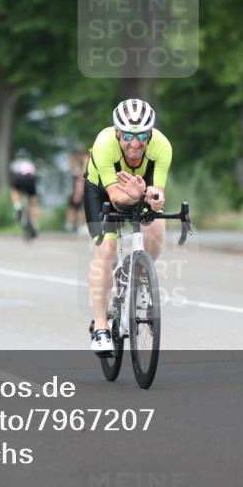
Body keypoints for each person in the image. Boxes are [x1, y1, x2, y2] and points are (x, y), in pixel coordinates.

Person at [84, 98, 171, 354]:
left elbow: (156, 194)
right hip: (100, 191)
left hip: (139, 188)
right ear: (118, 132)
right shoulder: (104, 144)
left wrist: (154, 201)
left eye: (143, 135)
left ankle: (142, 279)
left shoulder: (162, 147)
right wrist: (133, 195)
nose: (135, 144)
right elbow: (115, 198)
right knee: (107, 252)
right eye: (129, 136)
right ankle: (101, 327)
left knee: (155, 232)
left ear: (151, 133)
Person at [8, 149, 39, 235]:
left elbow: (13, 176)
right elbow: (35, 175)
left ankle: (17, 207)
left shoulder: (15, 163)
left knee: (14, 191)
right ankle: (36, 225)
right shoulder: (30, 163)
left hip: (20, 178)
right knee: (33, 204)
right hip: (31, 180)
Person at [65, 150, 89, 233]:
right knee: (74, 208)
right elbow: (80, 179)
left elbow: (81, 179)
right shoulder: (76, 167)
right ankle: (71, 225)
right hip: (76, 190)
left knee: (79, 208)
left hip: (78, 190)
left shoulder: (78, 167)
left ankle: (77, 225)